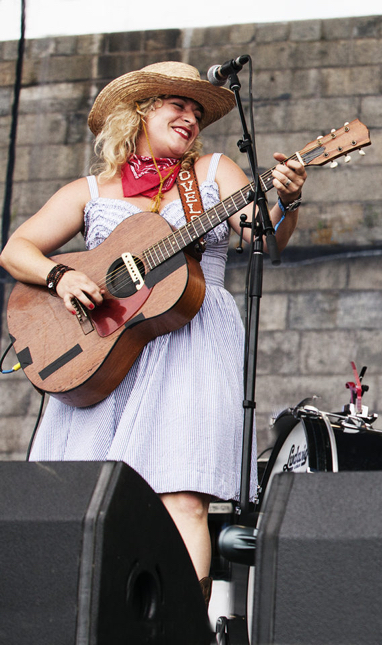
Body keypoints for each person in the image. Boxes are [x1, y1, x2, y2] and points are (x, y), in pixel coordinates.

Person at [0, 61, 307, 600]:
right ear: (140, 112)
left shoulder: (214, 172)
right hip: (104, 347)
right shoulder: (92, 189)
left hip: (193, 339)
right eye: (177, 104)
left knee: (182, 496)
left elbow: (265, 240)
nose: (190, 117)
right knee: (90, 497)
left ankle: (183, 627)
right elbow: (16, 250)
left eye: (196, 110)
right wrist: (63, 275)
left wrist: (289, 199)